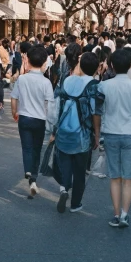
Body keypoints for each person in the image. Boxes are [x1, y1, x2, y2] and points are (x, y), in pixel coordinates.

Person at [95, 48, 131, 229]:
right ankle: (125, 215)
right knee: (128, 177)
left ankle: (116, 213)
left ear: (111, 65)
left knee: (115, 176)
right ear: (130, 65)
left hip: (111, 132)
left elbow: (98, 111)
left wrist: (97, 134)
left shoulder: (103, 86)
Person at [53, 50, 100, 213]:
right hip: (82, 133)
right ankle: (75, 203)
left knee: (65, 163)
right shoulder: (94, 85)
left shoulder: (67, 80)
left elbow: (57, 105)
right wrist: (97, 135)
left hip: (63, 129)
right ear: (96, 68)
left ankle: (64, 189)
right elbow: (96, 113)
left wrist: (54, 129)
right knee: (80, 171)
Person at [10, 44, 55, 196]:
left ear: (28, 61)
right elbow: (49, 103)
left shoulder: (22, 79)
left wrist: (14, 112)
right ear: (43, 63)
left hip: (24, 117)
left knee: (26, 147)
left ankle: (29, 172)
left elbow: (14, 97)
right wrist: (51, 122)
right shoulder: (46, 82)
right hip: (39, 120)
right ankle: (33, 175)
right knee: (37, 148)